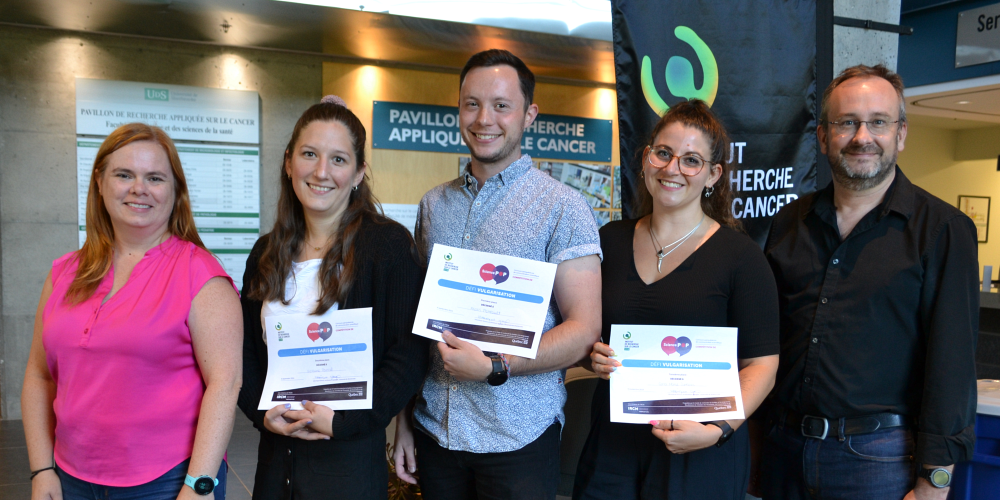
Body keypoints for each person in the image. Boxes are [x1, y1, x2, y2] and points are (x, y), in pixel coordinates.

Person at [391, 49, 603, 499]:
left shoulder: (564, 208)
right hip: (435, 431)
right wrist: (404, 420)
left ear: (529, 115)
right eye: (472, 103)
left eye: (501, 105)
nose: (484, 118)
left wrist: (495, 367)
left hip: (519, 439)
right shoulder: (434, 205)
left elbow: (584, 330)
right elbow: (419, 324)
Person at [760, 64, 979, 500]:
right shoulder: (790, 222)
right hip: (782, 448)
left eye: (878, 122)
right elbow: (764, 335)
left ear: (900, 134)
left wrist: (936, 478)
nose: (862, 136)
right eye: (846, 123)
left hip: (878, 460)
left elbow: (952, 365)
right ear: (823, 137)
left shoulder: (943, 229)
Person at [21, 123, 242, 500]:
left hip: (167, 482)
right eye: (124, 175)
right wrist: (42, 469)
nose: (139, 188)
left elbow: (225, 384)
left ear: (175, 191)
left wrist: (198, 486)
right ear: (99, 181)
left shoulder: (201, 276)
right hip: (69, 476)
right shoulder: (63, 273)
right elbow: (39, 376)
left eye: (155, 177)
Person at [575, 100, 780, 499]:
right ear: (646, 157)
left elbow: (763, 366)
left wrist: (717, 430)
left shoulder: (742, 257)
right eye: (663, 154)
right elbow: (586, 334)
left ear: (713, 175)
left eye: (691, 160)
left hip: (699, 454)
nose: (672, 169)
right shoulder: (608, 241)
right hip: (613, 448)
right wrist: (591, 355)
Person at [236, 95, 427, 499]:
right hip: (276, 457)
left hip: (350, 461)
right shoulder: (265, 252)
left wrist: (343, 422)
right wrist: (262, 415)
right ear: (289, 163)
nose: (321, 172)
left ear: (358, 173)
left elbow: (407, 354)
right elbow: (245, 354)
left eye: (338, 160)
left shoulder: (388, 246)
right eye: (309, 154)